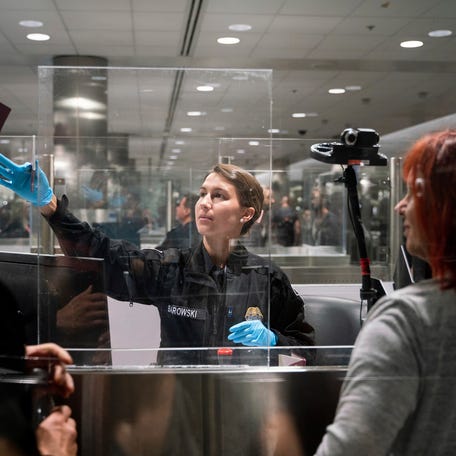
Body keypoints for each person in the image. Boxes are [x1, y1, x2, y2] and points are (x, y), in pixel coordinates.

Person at [0, 158, 314, 365]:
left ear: (246, 213)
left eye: (219, 196)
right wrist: (51, 206)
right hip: (178, 399)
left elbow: (308, 347)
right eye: (202, 193)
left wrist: (274, 340)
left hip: (248, 402)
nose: (204, 202)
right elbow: (101, 253)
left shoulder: (266, 277)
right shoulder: (170, 269)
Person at [313, 129, 456, 455]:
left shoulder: (408, 320)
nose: (400, 206)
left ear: (447, 206)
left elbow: (350, 448)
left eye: (414, 193)